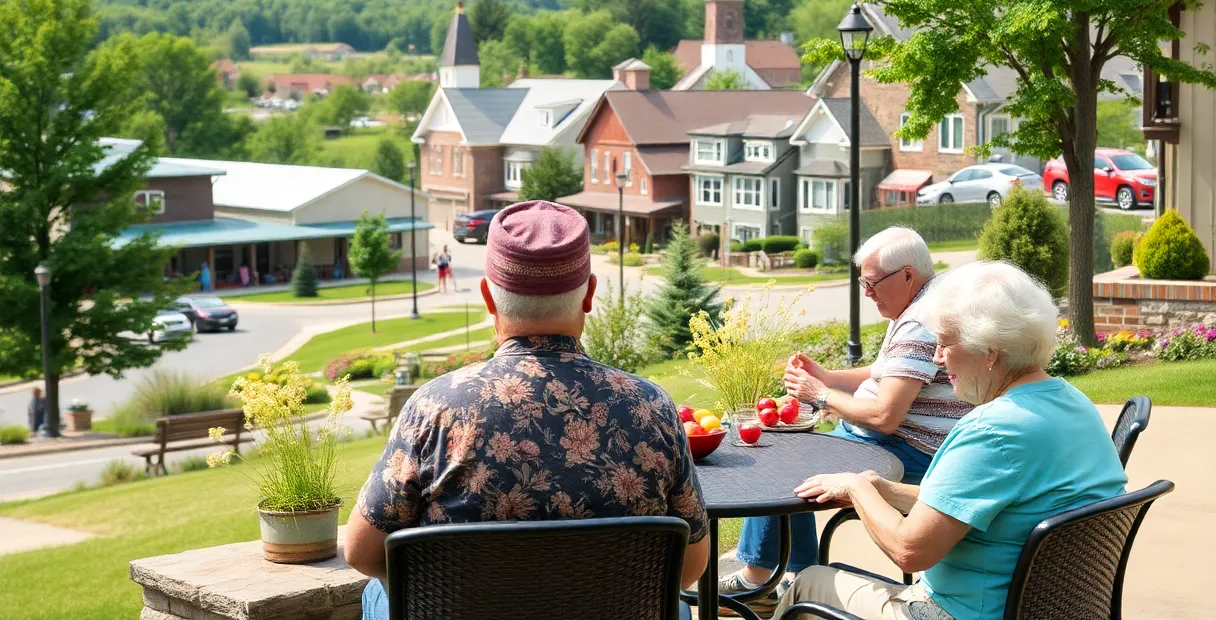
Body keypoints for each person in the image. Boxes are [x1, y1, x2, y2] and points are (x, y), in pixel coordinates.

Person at [345, 200, 710, 619]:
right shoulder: (652, 408)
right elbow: (690, 566)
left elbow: (360, 551)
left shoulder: (435, 408)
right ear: (589, 294)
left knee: (379, 593)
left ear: (488, 297)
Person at [775, 262, 1127, 620]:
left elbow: (909, 550)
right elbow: (972, 504)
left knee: (808, 583)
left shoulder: (991, 431)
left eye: (945, 342)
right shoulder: (1076, 405)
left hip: (960, 612)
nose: (937, 357)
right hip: (1053, 609)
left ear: (989, 350)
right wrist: (884, 488)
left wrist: (855, 488)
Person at [722, 227, 972, 612]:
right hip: (897, 441)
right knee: (796, 449)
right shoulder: (923, 300)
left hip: (905, 452)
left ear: (907, 274)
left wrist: (818, 394)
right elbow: (887, 373)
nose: (866, 293)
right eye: (863, 282)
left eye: (872, 283)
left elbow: (885, 416)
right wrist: (827, 377)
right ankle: (793, 576)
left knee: (787, 457)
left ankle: (760, 582)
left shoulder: (920, 320)